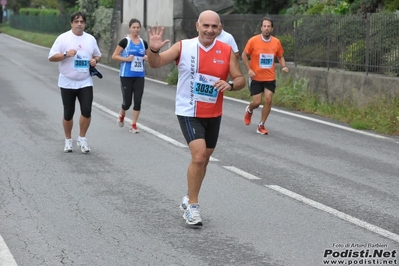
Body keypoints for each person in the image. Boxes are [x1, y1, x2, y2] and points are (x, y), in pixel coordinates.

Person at [147, 10, 245, 227]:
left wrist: (230, 85)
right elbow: (155, 63)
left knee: (205, 159)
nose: (210, 30)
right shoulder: (184, 47)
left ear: (219, 29)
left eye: (214, 26)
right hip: (188, 111)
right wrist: (153, 49)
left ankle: (188, 196)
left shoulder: (226, 50)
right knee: (199, 157)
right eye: (206, 26)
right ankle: (193, 206)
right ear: (197, 26)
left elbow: (240, 79)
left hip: (214, 113)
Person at [48, 11, 102, 153]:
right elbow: (51, 57)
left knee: (86, 110)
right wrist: (66, 54)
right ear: (71, 23)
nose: (79, 24)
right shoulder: (63, 38)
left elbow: (98, 55)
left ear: (85, 23)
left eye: (82, 21)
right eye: (76, 21)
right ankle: (68, 141)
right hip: (67, 81)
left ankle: (82, 138)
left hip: (85, 81)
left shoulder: (90, 39)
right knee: (68, 113)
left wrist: (95, 60)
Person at [242, 16, 289, 135]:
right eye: (264, 26)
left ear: (272, 29)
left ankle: (261, 125)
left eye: (269, 26)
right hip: (256, 77)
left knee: (268, 100)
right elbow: (244, 55)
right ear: (261, 28)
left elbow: (280, 56)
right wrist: (249, 70)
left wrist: (283, 66)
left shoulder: (276, 42)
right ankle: (250, 109)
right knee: (257, 102)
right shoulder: (253, 41)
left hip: (269, 77)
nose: (266, 28)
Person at [111, 18, 148, 133]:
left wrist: (147, 58)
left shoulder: (143, 43)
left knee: (138, 100)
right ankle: (122, 114)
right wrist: (126, 59)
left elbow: (150, 57)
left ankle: (133, 124)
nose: (136, 30)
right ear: (129, 28)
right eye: (134, 27)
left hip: (139, 75)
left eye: (138, 27)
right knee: (127, 103)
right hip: (126, 75)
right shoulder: (125, 42)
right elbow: (114, 56)